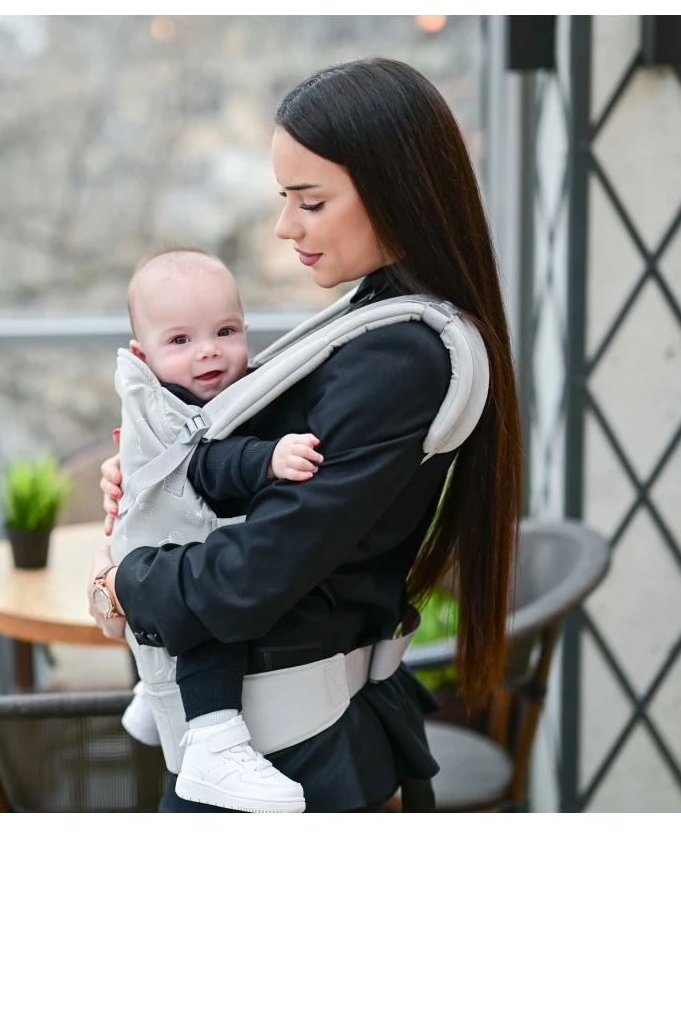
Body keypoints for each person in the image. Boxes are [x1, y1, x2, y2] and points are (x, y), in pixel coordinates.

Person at [87, 57, 522, 813]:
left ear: (394, 189)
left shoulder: (399, 357)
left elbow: (247, 580)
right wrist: (163, 478)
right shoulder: (380, 319)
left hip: (286, 751)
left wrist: (125, 579)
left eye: (311, 202)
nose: (286, 226)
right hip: (300, 738)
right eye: (285, 199)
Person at [116, 246, 323, 813]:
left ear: (245, 330)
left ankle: (153, 697)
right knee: (210, 614)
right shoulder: (176, 409)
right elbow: (207, 463)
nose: (208, 350)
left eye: (225, 331)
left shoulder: (186, 393)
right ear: (143, 355)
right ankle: (213, 737)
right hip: (166, 561)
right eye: (181, 340)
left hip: (146, 554)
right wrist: (268, 458)